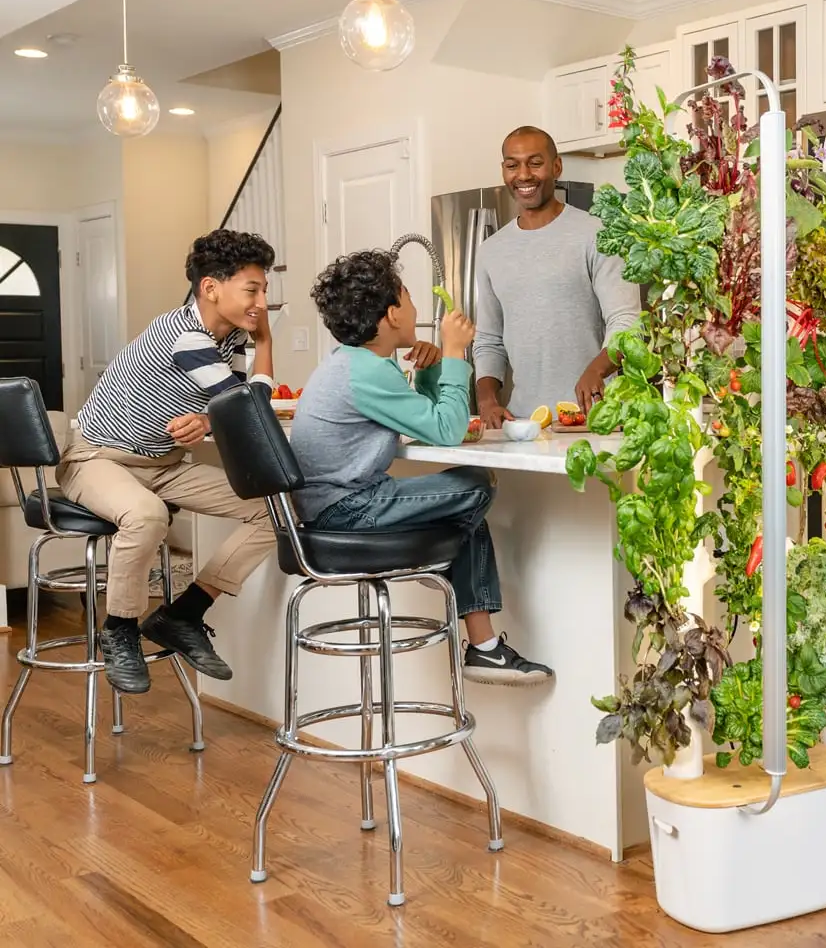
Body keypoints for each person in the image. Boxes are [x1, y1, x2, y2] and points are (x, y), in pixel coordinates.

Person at [290, 249, 552, 686]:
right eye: (409, 298)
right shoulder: (367, 371)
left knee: (458, 509)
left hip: (334, 509)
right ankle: (484, 649)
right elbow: (448, 430)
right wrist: (453, 352)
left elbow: (429, 424)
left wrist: (433, 371)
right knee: (475, 485)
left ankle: (485, 649)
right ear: (393, 314)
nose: (416, 309)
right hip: (347, 510)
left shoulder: (356, 363)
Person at [58, 229, 282, 695]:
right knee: (146, 515)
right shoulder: (186, 336)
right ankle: (119, 630)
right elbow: (248, 411)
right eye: (252, 289)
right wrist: (266, 344)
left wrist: (208, 418)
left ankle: (182, 614)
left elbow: (237, 409)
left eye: (264, 289)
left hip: (162, 466)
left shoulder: (228, 342)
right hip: (95, 457)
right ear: (210, 288)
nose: (262, 300)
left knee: (275, 508)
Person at [473, 126, 641, 427]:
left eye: (535, 163)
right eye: (513, 165)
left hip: (597, 419)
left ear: (556, 166)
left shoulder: (599, 235)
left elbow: (627, 322)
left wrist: (596, 370)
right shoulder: (490, 251)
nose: (523, 175)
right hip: (524, 423)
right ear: (504, 171)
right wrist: (487, 401)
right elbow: (488, 339)